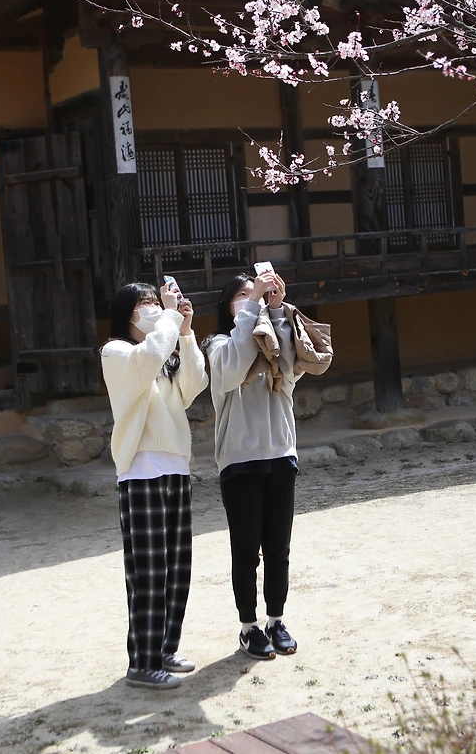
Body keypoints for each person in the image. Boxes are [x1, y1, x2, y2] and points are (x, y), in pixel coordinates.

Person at [204, 268, 330, 660]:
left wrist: (276, 310)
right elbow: (232, 368)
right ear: (229, 306)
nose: (253, 297)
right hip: (240, 461)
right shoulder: (218, 345)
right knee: (246, 553)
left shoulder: (273, 340)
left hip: (281, 455)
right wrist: (252, 308)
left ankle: (276, 621)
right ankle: (249, 627)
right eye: (243, 295)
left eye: (255, 291)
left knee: (278, 549)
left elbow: (291, 367)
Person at [101, 279, 209, 689]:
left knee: (176, 568)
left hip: (176, 464)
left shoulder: (163, 351)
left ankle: (164, 649)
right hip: (141, 470)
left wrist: (186, 331)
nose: (153, 308)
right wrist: (169, 316)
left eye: (155, 301)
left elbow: (194, 384)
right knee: (148, 571)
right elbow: (146, 359)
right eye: (144, 303)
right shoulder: (117, 352)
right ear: (126, 313)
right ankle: (142, 663)